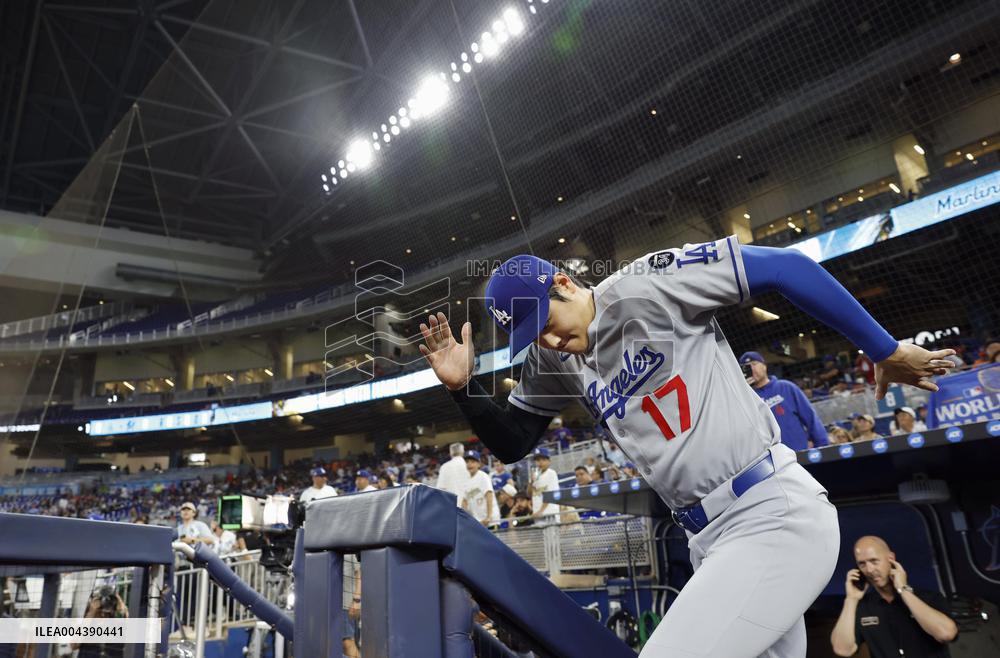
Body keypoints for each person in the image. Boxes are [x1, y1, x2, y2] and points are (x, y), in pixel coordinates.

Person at [418, 235, 955, 657]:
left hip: (768, 513)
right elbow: (513, 441)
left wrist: (882, 350)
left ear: (563, 281)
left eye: (547, 322)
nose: (550, 340)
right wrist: (464, 392)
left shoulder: (647, 285)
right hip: (708, 542)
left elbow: (784, 267)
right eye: (535, 336)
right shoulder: (557, 358)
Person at [830, 536, 957, 657]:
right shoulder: (862, 607)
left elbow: (946, 634)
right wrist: (851, 599)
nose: (869, 569)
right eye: (862, 564)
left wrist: (903, 590)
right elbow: (843, 650)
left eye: (874, 561)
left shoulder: (929, 597)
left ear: (891, 558)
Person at [740, 351, 829, 451]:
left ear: (764, 365)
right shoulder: (746, 398)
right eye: (746, 367)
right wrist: (743, 390)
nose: (751, 368)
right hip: (772, 459)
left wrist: (823, 446)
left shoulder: (786, 387)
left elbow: (810, 417)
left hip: (799, 452)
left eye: (754, 364)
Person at [459, 450, 497, 526]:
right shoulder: (466, 480)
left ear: (479, 464)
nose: (469, 464)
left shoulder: (483, 477)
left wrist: (489, 517)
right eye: (467, 462)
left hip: (490, 521)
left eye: (473, 462)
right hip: (478, 522)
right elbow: (464, 501)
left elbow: (489, 495)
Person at [527, 447, 560, 523]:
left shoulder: (551, 473)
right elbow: (529, 494)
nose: (540, 462)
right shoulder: (534, 474)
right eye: (538, 460)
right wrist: (531, 482)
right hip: (537, 514)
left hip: (550, 513)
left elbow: (550, 495)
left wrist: (541, 511)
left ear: (549, 461)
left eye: (543, 459)